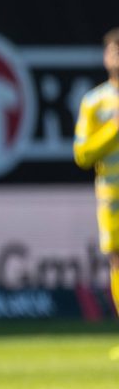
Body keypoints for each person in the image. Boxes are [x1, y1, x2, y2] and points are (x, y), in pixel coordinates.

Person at [72, 27, 119, 363]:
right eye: (114, 48)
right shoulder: (94, 101)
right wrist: (115, 129)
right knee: (117, 261)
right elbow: (82, 154)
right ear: (105, 56)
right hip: (112, 192)